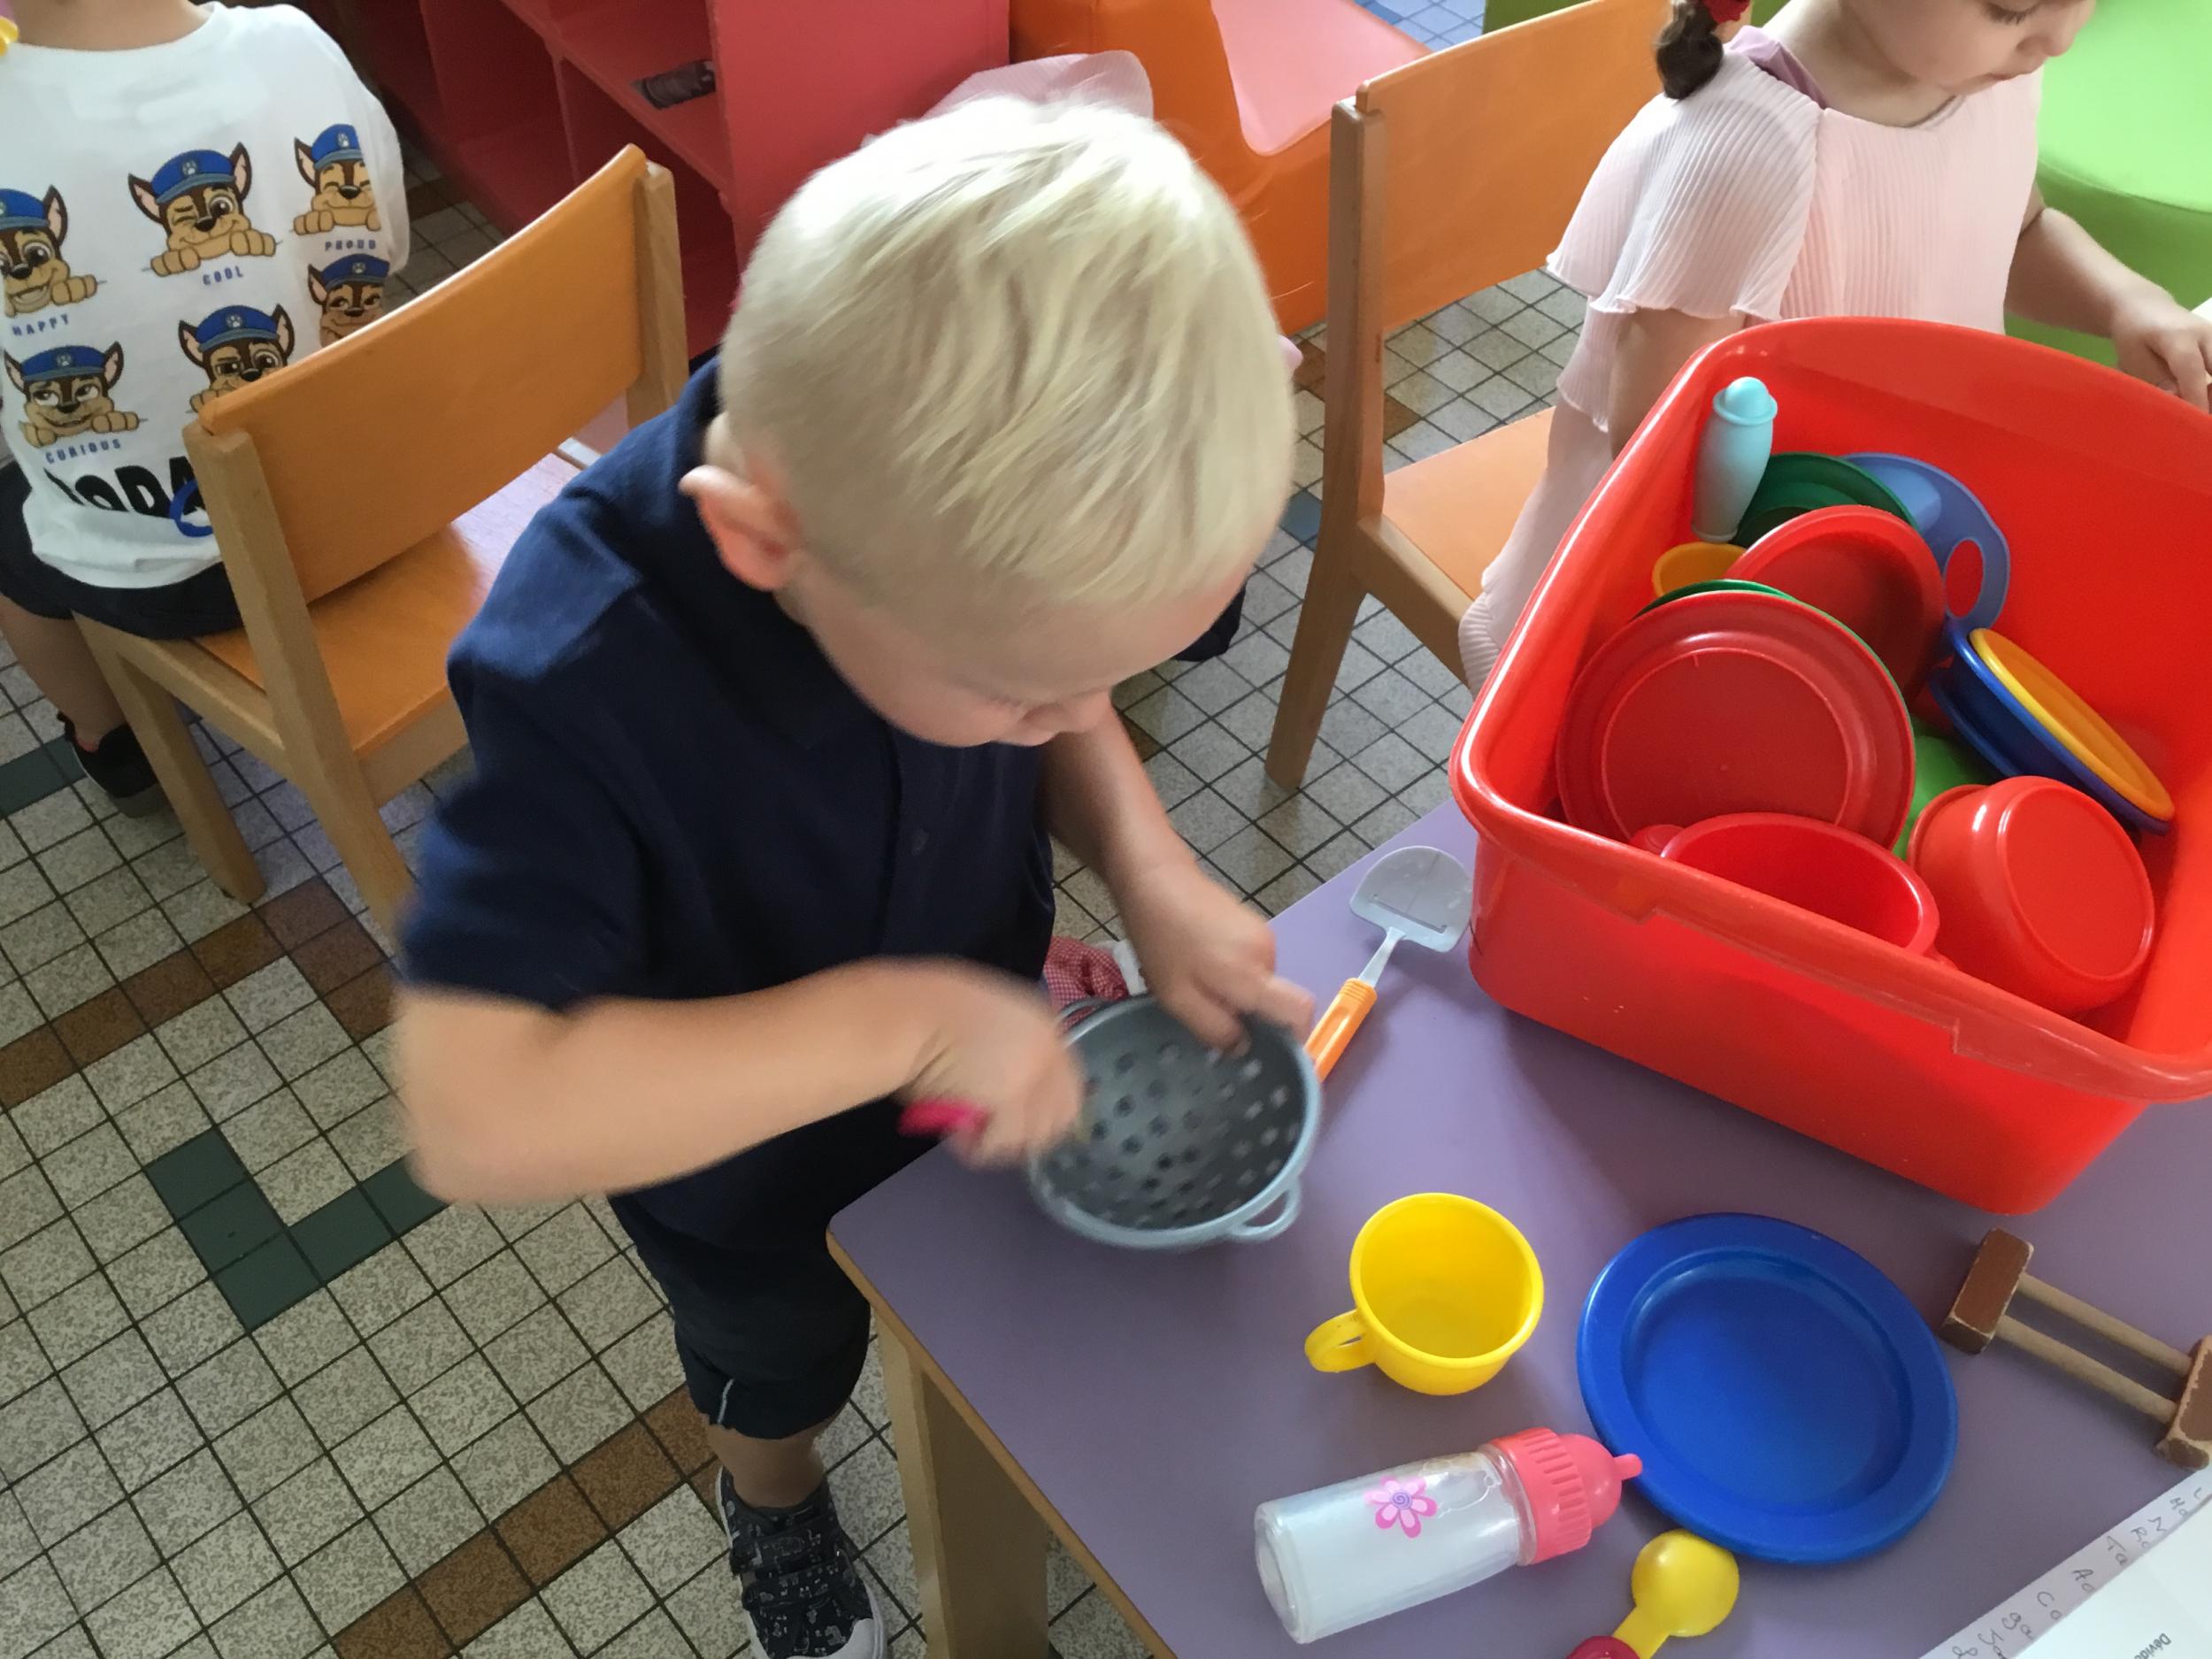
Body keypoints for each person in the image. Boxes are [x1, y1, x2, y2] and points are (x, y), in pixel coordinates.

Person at [396, 98, 1310, 1659]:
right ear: (767, 545)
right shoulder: (581, 673)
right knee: (782, 1359)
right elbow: (471, 1109)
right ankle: (770, 1497)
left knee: (980, 1274)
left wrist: (1144, 861)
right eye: (1020, 695)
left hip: (971, 1012)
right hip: (750, 1171)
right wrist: (911, 1020)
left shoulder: (931, 556)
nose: (1068, 718)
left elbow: (1061, 687)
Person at [1457, 0, 2212, 688]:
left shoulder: (1982, 75)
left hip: (1894, 519)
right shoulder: (1749, 150)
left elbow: (2015, 229)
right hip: (1702, 577)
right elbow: (1654, 449)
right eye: (2011, 8)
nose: (2062, 38)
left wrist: (2127, 302)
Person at [0, 0, 404, 810]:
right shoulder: (297, 44)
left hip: (167, 579)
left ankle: (113, 739)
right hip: (379, 500)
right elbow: (384, 250)